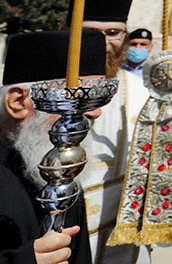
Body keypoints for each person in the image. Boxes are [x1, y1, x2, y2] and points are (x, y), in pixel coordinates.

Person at [71, 0, 172, 264]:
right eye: (90, 32)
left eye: (113, 33)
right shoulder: (36, 93)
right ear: (65, 29)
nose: (103, 43)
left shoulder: (147, 95)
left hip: (123, 244)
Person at [1, 29, 108, 264]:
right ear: (18, 102)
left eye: (98, 98)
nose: (95, 112)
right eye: (78, 97)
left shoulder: (59, 167)